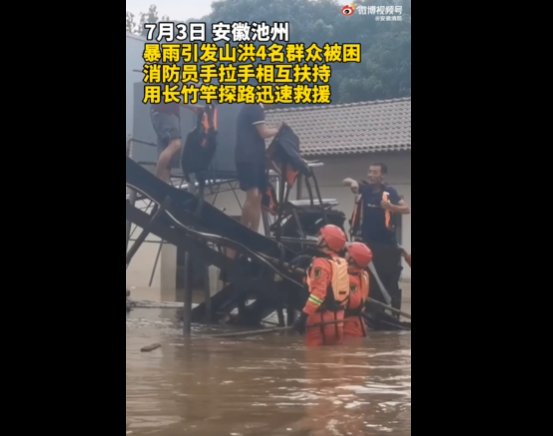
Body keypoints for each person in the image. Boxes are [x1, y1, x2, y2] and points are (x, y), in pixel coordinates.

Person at [343, 163, 410, 316]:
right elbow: (346, 181)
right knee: (369, 281)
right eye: (370, 171)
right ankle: (370, 311)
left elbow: (406, 209)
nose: (371, 175)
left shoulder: (389, 192)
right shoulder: (364, 189)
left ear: (382, 175)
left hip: (386, 246)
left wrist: (390, 206)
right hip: (368, 245)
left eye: (375, 172)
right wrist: (352, 182)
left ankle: (393, 314)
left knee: (389, 282)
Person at [293, 224, 350, 346]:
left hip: (320, 320)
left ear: (326, 241)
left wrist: (303, 317)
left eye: (320, 236)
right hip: (337, 319)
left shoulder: (320, 264)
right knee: (334, 360)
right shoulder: (341, 262)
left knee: (315, 361)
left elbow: (318, 294)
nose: (317, 238)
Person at [235, 103, 280, 232]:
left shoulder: (252, 107)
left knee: (259, 196)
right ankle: (242, 230)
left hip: (257, 157)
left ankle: (254, 232)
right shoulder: (255, 106)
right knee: (253, 195)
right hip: (248, 157)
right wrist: (278, 130)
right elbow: (263, 132)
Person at [343, 242, 372, 339]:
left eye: (347, 252)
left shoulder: (346, 278)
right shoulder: (364, 275)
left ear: (352, 259)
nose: (344, 254)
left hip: (346, 326)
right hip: (358, 324)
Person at [150, 101, 183, 183]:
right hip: (166, 111)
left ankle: (163, 184)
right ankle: (157, 181)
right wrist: (194, 107)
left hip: (160, 112)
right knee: (175, 143)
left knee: (166, 148)